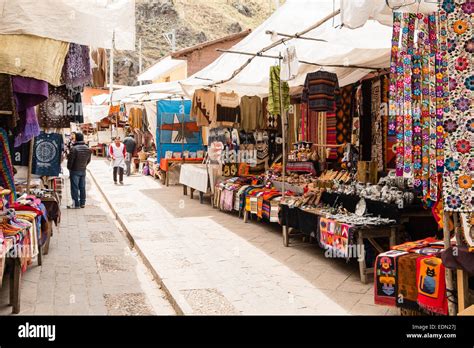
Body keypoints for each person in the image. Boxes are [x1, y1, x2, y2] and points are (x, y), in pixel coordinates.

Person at [67, 132, 91, 209]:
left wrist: (69, 168)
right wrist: (84, 165)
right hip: (83, 170)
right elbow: (88, 160)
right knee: (82, 187)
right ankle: (82, 203)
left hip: (74, 170)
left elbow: (70, 161)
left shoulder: (74, 148)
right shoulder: (87, 148)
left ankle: (76, 204)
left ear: (76, 138)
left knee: (74, 187)